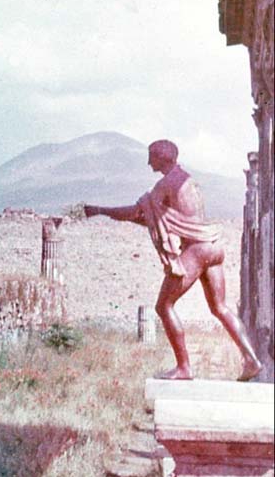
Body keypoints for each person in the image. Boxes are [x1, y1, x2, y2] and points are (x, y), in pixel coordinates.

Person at [84, 139, 262, 381]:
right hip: (213, 245)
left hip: (197, 249)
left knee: (163, 306)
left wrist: (100, 210)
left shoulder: (166, 184)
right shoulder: (189, 181)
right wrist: (145, 217)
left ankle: (184, 367)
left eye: (151, 157)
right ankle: (251, 358)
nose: (148, 163)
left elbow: (134, 213)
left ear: (162, 157)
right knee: (220, 307)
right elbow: (156, 218)